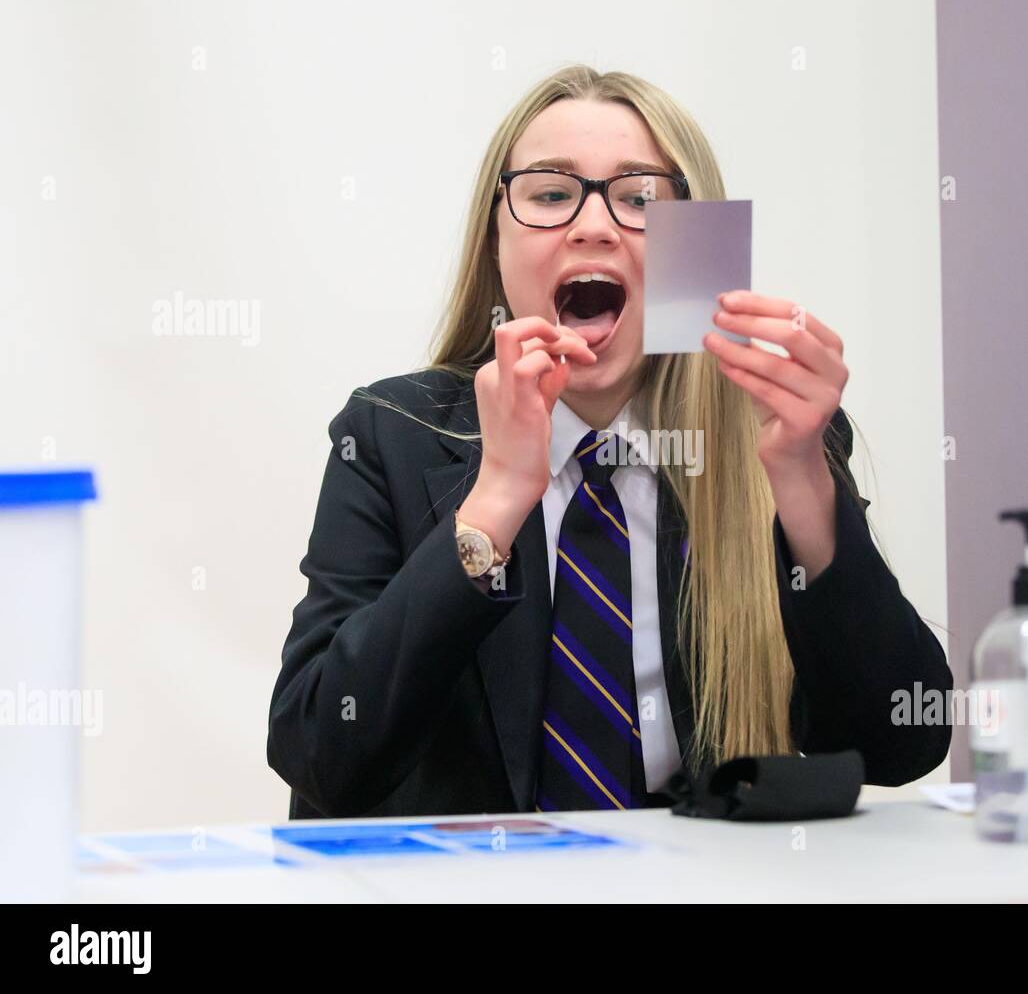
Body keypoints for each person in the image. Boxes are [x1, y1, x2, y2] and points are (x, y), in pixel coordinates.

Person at [267, 64, 952, 819]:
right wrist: (494, 504)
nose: (593, 225)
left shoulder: (772, 441)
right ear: (495, 241)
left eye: (641, 200)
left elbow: (901, 742)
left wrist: (806, 496)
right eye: (552, 194)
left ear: (698, 254)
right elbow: (319, 753)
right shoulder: (391, 435)